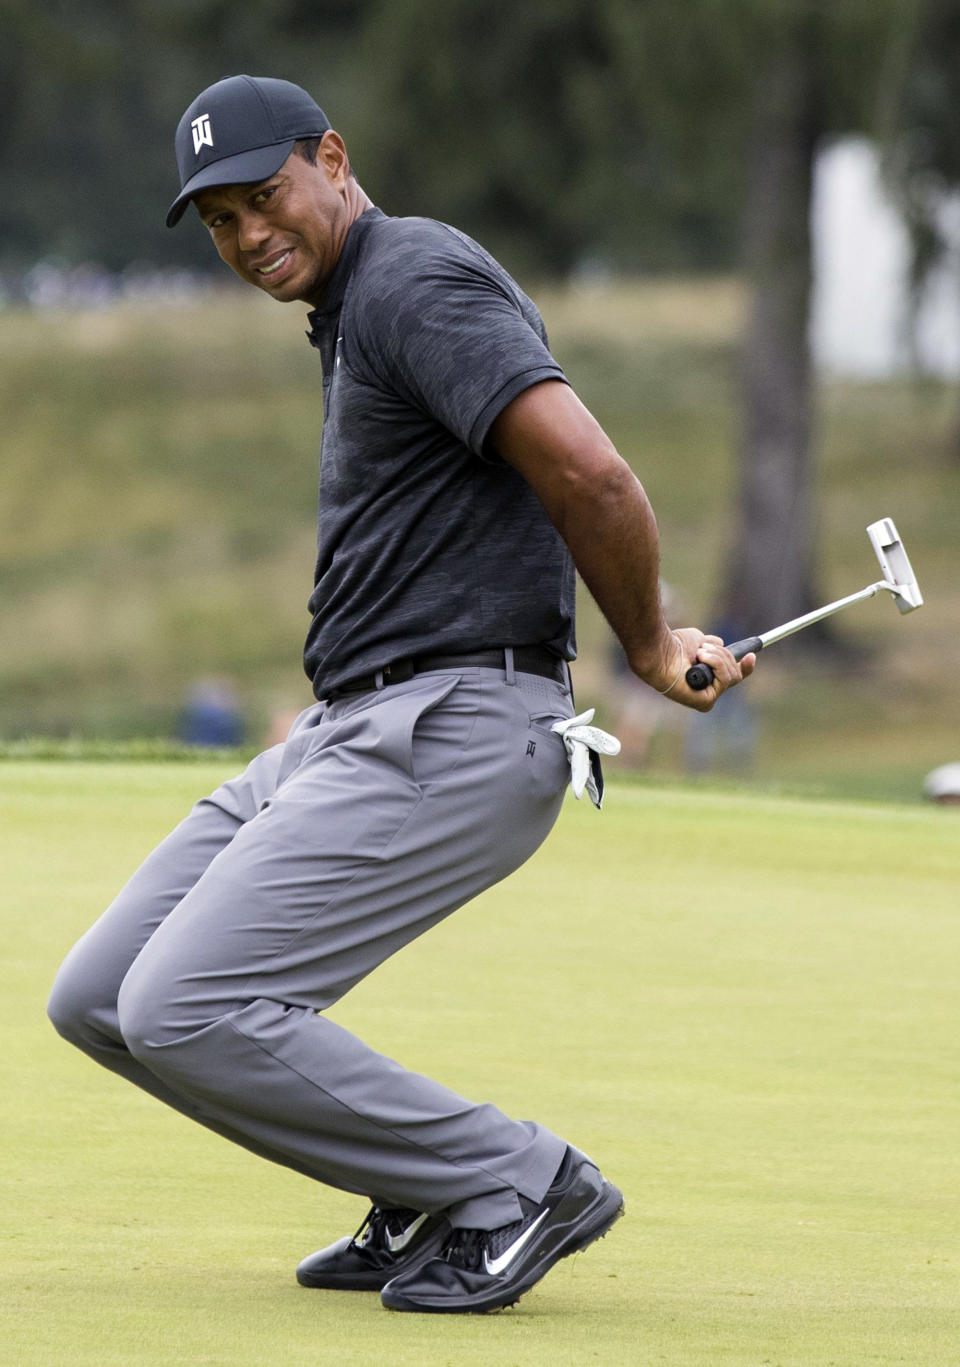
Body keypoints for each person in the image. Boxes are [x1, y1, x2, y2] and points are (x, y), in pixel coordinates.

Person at [47, 75, 753, 1316]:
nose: (249, 237)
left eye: (264, 198)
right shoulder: (353, 303)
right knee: (100, 998)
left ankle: (517, 1179)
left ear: (332, 157)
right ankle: (417, 1182)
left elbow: (589, 471)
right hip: (349, 726)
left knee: (181, 1005)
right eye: (219, 222)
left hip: (458, 726)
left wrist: (644, 639)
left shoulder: (413, 277)